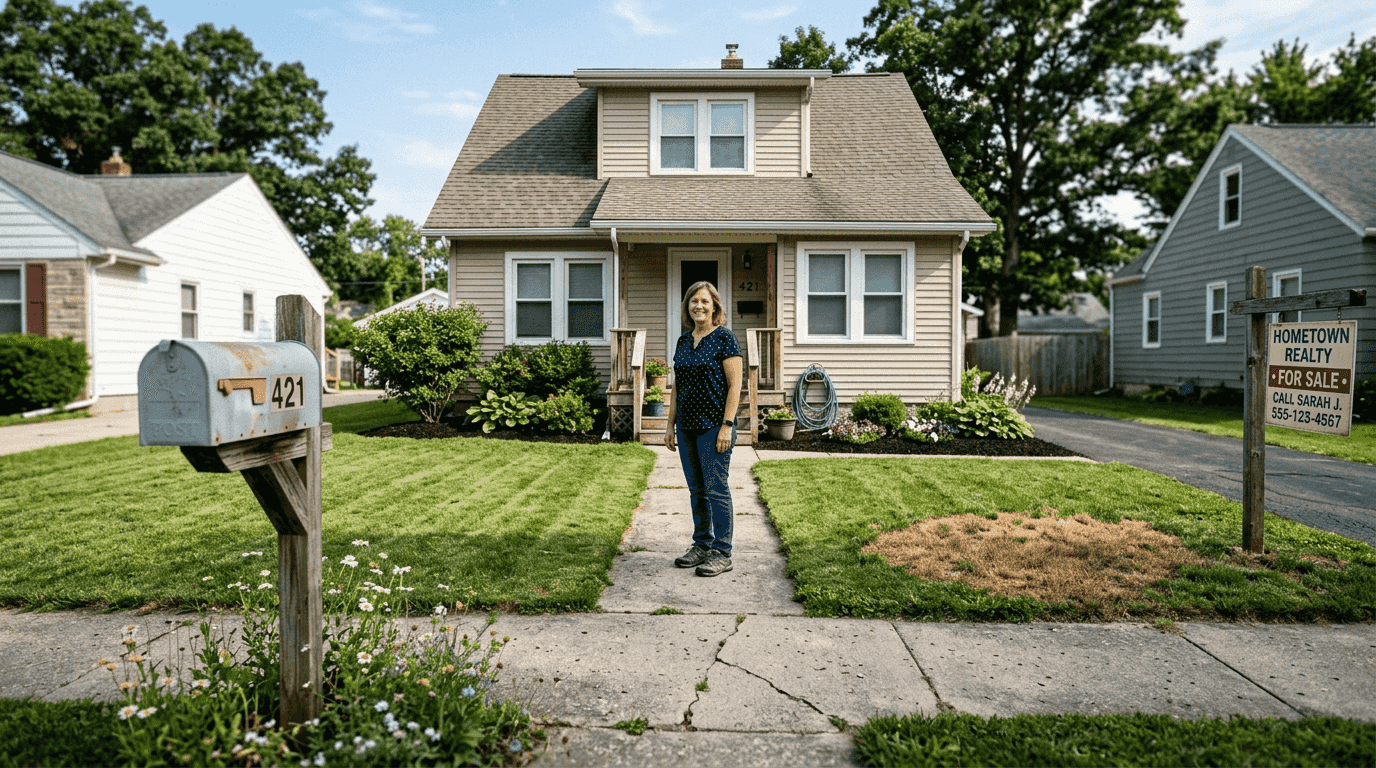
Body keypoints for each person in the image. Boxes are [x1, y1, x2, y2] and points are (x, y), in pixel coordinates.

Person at [664, 281, 743, 577]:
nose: (699, 306)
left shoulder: (725, 339)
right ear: (687, 306)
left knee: (716, 489)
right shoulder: (683, 341)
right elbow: (677, 386)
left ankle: (722, 552)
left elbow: (735, 386)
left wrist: (727, 426)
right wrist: (670, 425)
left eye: (705, 301)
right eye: (693, 301)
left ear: (715, 306)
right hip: (686, 427)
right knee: (697, 490)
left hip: (713, 426)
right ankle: (702, 544)